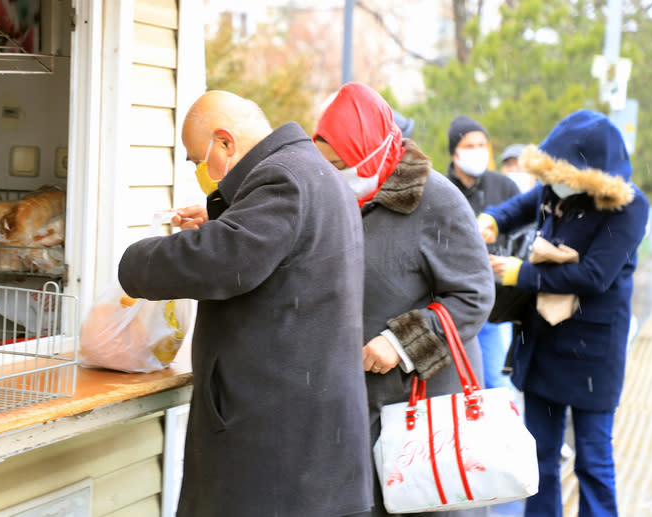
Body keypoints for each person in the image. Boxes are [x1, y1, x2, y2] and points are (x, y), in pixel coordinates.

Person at [118, 90, 373, 517]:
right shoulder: (313, 171)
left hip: (276, 446)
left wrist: (134, 262)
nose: (200, 171)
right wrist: (221, 220)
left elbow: (225, 262)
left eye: (196, 158)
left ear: (225, 142)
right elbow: (274, 257)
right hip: (309, 439)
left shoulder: (282, 179)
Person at [312, 82, 494, 517]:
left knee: (426, 505)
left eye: (341, 164)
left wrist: (400, 343)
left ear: (372, 152)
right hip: (358, 405)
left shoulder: (436, 199)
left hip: (426, 410)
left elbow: (474, 294)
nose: (333, 174)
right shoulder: (339, 197)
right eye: (325, 165)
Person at [479, 109, 649, 517]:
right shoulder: (555, 191)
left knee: (593, 461)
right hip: (544, 344)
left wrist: (523, 273)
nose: (551, 184)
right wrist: (491, 220)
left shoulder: (629, 208)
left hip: (594, 353)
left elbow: (593, 276)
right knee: (539, 459)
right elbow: (520, 207)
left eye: (561, 176)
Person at [445, 116, 520, 391]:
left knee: (498, 383)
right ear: (455, 151)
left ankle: (509, 434)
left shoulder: (504, 187)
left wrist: (502, 255)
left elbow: (524, 235)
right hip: (452, 306)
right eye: (470, 145)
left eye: (482, 144)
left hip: (496, 304)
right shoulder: (442, 190)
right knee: (460, 389)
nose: (478, 151)